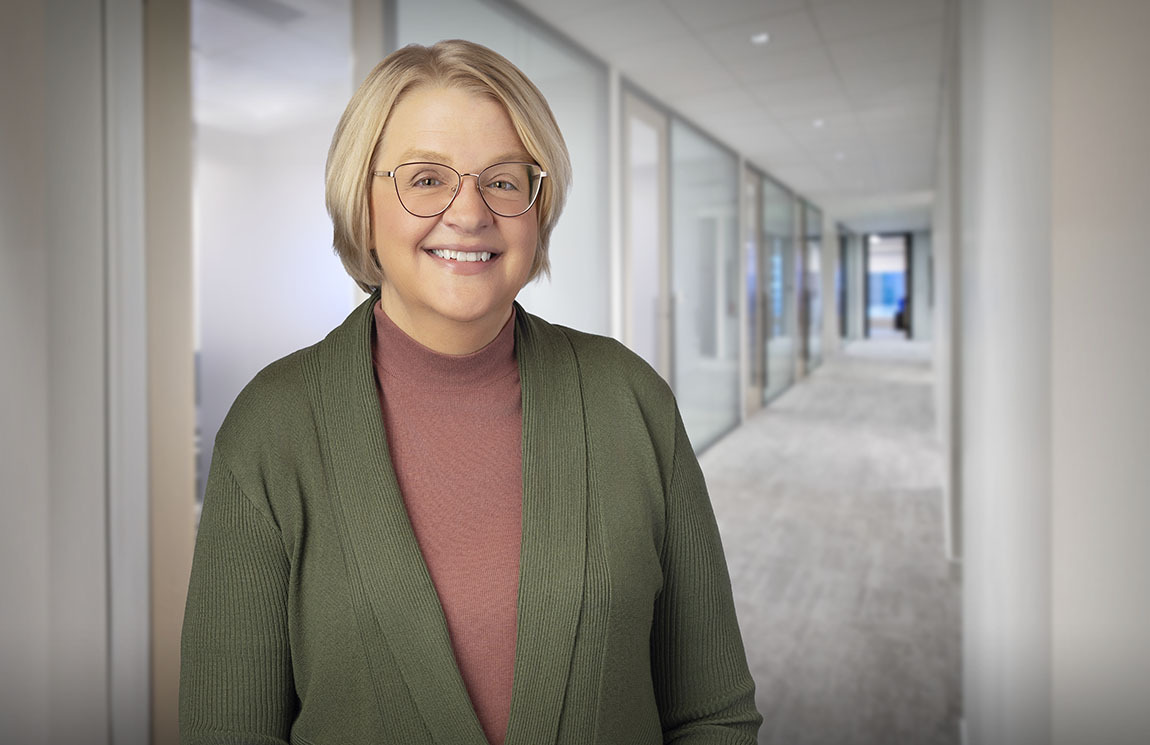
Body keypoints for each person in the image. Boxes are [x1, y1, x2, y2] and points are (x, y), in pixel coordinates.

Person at [179, 39, 761, 745]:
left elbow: (712, 713)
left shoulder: (630, 400)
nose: (469, 212)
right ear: (361, 201)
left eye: (504, 180)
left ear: (536, 208)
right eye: (425, 179)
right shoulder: (271, 426)